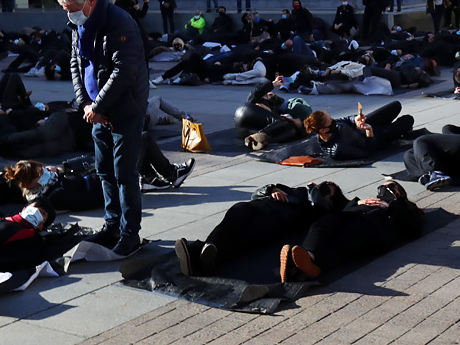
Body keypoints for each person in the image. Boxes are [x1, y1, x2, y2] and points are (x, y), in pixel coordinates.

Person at [59, 0, 148, 256]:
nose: (70, 16)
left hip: (124, 109)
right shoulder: (80, 24)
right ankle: (112, 227)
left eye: (72, 9)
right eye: (66, 10)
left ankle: (130, 234)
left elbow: (124, 71)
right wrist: (85, 103)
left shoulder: (120, 22)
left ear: (90, 1)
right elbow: (76, 63)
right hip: (97, 109)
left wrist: (98, 107)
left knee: (124, 174)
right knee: (105, 171)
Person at [174, 181, 346, 276]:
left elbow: (321, 212)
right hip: (256, 206)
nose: (321, 188)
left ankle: (197, 254)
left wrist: (317, 195)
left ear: (329, 199)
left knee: (240, 241)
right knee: (231, 220)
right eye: (323, 185)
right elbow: (257, 193)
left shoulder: (316, 208)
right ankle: (206, 249)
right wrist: (273, 189)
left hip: (273, 221)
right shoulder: (295, 191)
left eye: (327, 190)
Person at [278, 180, 423, 283]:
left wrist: (391, 206)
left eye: (389, 186)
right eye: (382, 187)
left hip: (374, 227)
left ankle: (301, 269)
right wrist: (356, 202)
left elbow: (413, 228)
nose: (382, 190)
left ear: (398, 191)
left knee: (342, 241)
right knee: (322, 224)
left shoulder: (406, 208)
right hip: (349, 216)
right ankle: (307, 257)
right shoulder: (367, 201)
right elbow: (342, 205)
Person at [303, 103, 414, 161]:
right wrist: (369, 131)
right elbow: (368, 152)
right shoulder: (338, 149)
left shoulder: (331, 125)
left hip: (362, 126)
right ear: (323, 130)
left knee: (395, 105)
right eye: (330, 120)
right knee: (408, 119)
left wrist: (355, 119)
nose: (333, 120)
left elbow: (345, 119)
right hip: (374, 138)